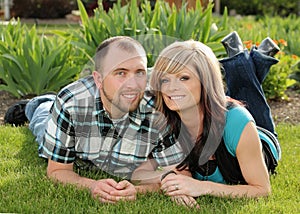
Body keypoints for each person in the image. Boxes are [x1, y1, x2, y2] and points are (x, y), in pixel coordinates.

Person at [5, 36, 185, 203]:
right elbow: (57, 170)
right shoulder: (72, 103)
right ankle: (38, 103)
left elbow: (179, 172)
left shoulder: (159, 107)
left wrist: (140, 191)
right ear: (98, 79)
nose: (133, 84)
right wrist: (92, 185)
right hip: (64, 121)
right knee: (41, 125)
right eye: (120, 73)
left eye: (139, 72)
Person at [132, 32, 281, 207]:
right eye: (165, 79)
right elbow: (169, 173)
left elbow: (261, 189)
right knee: (237, 96)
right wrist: (173, 187)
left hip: (258, 137)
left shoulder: (237, 121)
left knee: (248, 94)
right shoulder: (165, 120)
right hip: (213, 109)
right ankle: (258, 58)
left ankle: (242, 58)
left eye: (184, 78)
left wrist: (202, 187)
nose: (171, 88)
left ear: (205, 81)